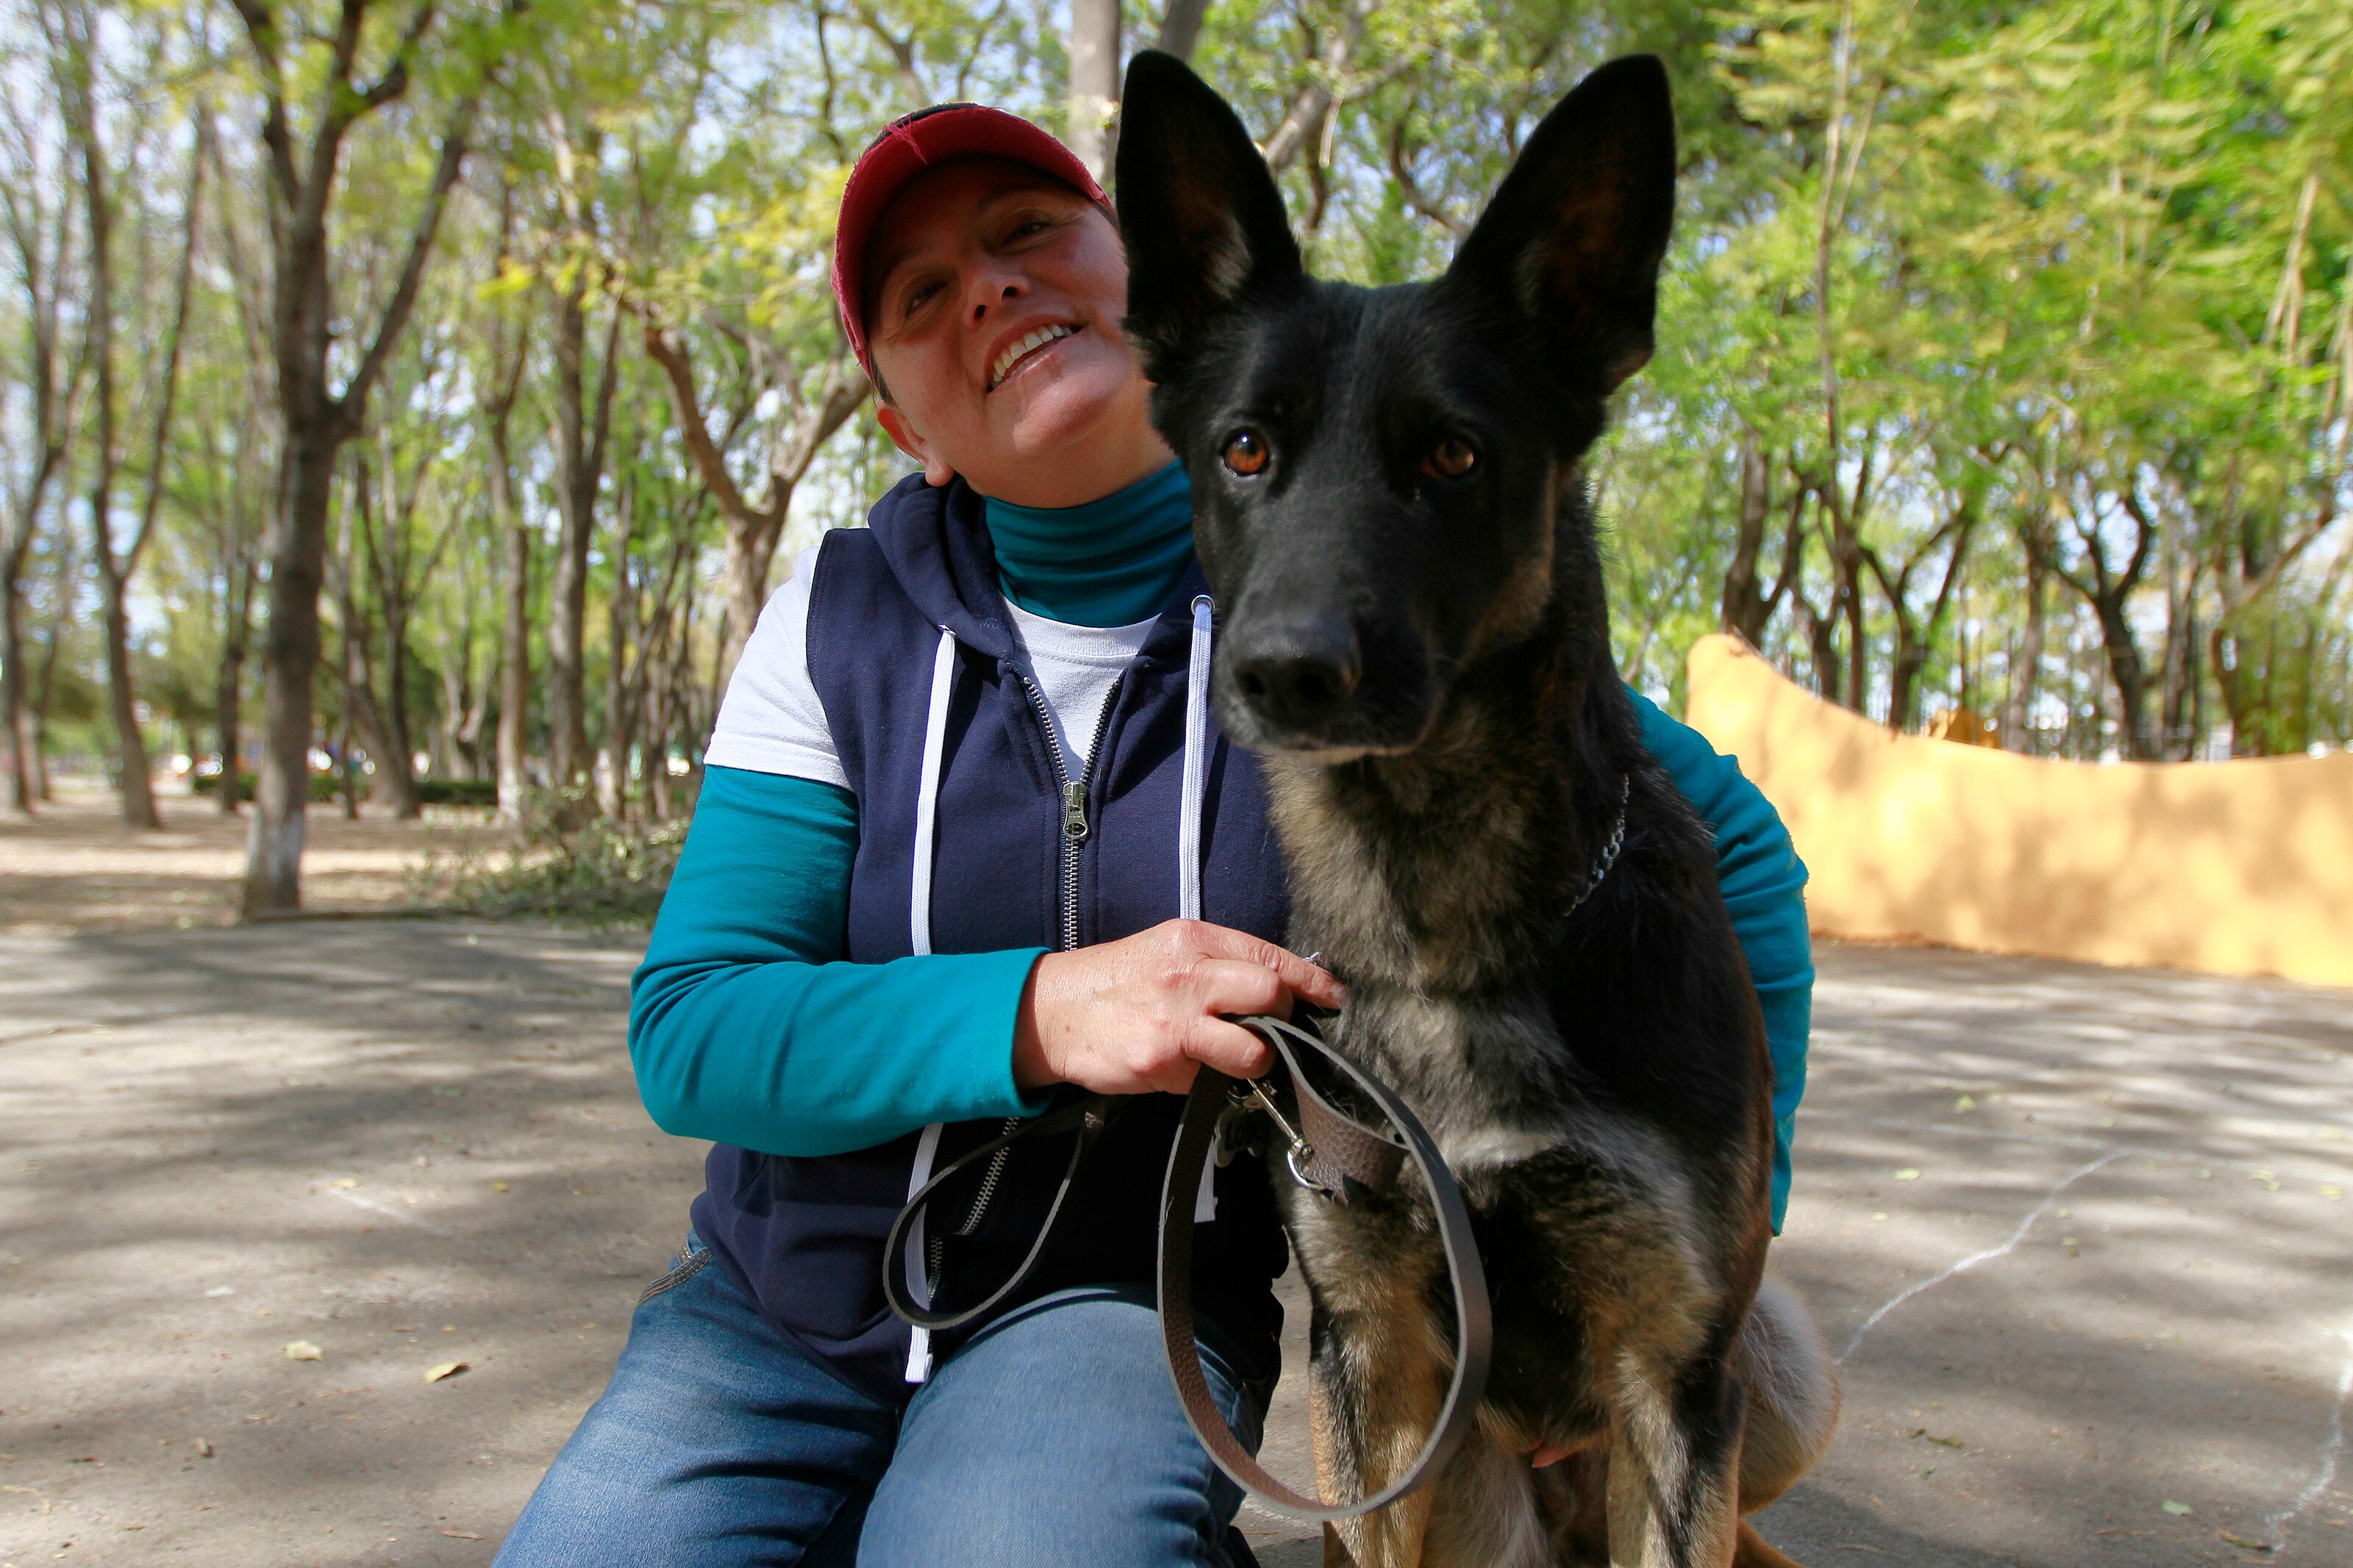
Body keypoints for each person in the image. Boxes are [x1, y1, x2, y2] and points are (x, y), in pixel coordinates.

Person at [493, 102, 1813, 1568]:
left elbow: (1719, 834)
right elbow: (692, 1025)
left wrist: (1721, 1218)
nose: (985, 287)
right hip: (775, 1311)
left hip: (1117, 1306)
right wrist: (1044, 1007)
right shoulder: (837, 622)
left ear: (1141, 294)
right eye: (920, 294)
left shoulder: (1319, 619)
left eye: (1026, 235)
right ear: (900, 424)